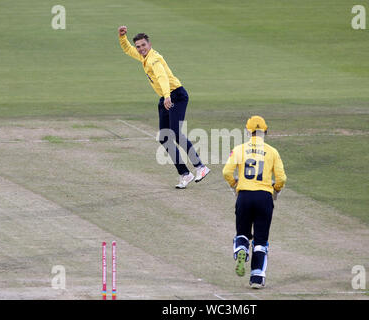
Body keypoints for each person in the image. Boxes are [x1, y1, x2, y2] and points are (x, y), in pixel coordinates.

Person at [118, 26, 210, 188]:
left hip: (176, 96)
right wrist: (122, 36)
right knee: (164, 137)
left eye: (143, 45)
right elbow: (128, 50)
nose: (140, 49)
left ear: (150, 44)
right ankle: (185, 174)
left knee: (175, 132)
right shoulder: (144, 57)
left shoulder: (154, 59)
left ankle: (200, 167)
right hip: (166, 98)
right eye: (138, 46)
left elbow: (162, 78)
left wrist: (167, 96)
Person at [222, 116, 286, 288]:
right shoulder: (272, 151)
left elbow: (227, 171)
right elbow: (281, 178)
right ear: (265, 131)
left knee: (242, 233)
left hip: (244, 196)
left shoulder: (239, 149)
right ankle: (257, 277)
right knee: (261, 240)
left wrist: (235, 185)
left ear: (248, 131)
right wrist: (276, 190)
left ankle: (241, 249)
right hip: (264, 197)